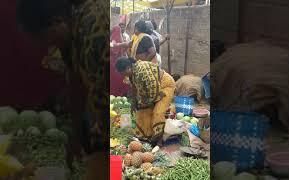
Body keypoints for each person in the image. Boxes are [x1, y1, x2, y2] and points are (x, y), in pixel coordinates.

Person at [16, 0, 108, 165]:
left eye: (44, 39)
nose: (48, 47)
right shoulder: (69, 35)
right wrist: (76, 136)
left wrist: (98, 152)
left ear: (57, 21)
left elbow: (104, 98)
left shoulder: (93, 25)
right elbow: (76, 84)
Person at [115, 57, 176, 145]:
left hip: (165, 85)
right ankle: (146, 136)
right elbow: (135, 88)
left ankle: (159, 139)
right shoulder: (132, 72)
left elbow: (153, 90)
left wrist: (147, 103)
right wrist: (134, 102)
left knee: (158, 111)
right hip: (153, 90)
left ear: (128, 68)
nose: (123, 76)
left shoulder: (142, 70)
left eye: (122, 73)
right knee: (142, 112)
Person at [110, 25, 130, 96]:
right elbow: (115, 50)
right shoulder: (116, 39)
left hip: (113, 65)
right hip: (117, 65)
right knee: (118, 80)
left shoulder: (113, 39)